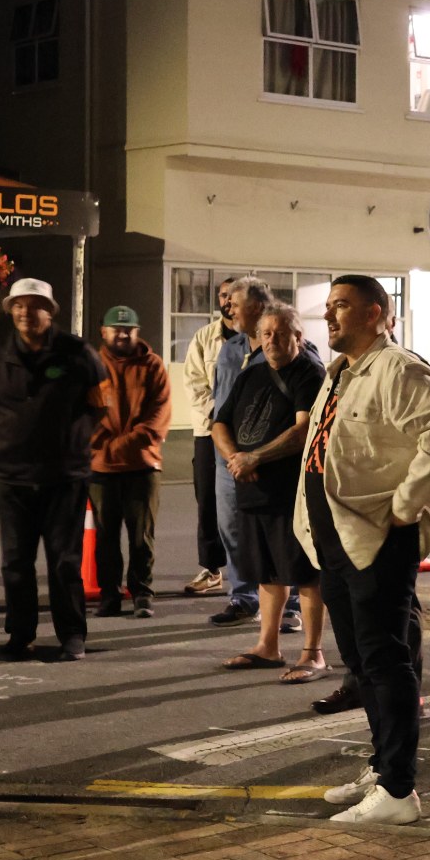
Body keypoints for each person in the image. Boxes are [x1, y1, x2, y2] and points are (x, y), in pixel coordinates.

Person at [300, 275, 430, 825]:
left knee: (386, 660)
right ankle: (383, 764)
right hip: (336, 539)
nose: (329, 316)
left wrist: (405, 505)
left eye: (341, 306)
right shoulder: (340, 372)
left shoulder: (398, 368)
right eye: (328, 307)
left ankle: (399, 790)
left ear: (375, 313)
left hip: (376, 537)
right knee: (362, 665)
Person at [0, 277, 107, 661]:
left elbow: (102, 404)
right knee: (15, 564)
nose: (25, 313)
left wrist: (73, 440)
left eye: (34, 306)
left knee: (65, 562)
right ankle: (21, 634)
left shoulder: (78, 353)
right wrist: (17, 436)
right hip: (13, 477)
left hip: (65, 476)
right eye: (18, 305)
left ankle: (72, 637)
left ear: (50, 311)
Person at [213, 303, 327, 679]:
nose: (273, 340)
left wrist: (254, 458)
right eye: (266, 334)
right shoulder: (251, 375)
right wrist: (236, 459)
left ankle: (312, 652)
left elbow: (303, 430)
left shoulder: (309, 374)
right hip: (252, 488)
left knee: (305, 573)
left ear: (299, 336)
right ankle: (268, 646)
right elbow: (219, 424)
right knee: (266, 574)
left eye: (281, 333)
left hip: (291, 492)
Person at [90, 305, 172, 620]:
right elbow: (83, 413)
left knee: (142, 537)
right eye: (116, 329)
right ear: (104, 332)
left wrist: (117, 444)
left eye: (129, 329)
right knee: (105, 537)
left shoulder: (153, 366)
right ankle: (109, 596)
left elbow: (158, 416)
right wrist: (98, 444)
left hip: (143, 466)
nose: (122, 334)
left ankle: (142, 595)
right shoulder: (93, 366)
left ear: (137, 332)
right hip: (101, 470)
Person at [208, 276, 273, 627]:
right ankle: (244, 597)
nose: (228, 307)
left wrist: (257, 455)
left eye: (235, 302)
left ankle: (289, 603)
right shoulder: (230, 348)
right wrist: (230, 454)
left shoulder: (282, 346)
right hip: (226, 457)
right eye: (227, 301)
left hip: (267, 460)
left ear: (258, 307)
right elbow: (220, 403)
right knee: (231, 530)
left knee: (274, 534)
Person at [179, 277, 237, 598]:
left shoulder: (255, 337)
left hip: (248, 435)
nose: (227, 300)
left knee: (247, 502)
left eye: (233, 295)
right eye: (222, 295)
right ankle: (211, 569)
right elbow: (194, 384)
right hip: (209, 431)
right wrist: (221, 417)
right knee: (207, 500)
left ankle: (252, 569)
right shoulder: (205, 337)